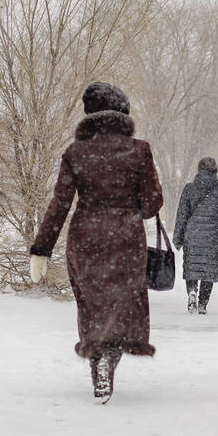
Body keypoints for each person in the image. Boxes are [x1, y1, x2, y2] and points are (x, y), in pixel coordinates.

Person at [29, 81, 163, 403]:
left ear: (89, 114)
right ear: (123, 114)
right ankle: (110, 356)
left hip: (85, 239)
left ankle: (97, 357)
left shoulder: (75, 152)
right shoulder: (139, 150)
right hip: (126, 240)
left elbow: (60, 204)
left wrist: (41, 248)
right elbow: (151, 205)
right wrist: (131, 201)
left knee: (91, 304)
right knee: (121, 304)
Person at [172, 157, 218, 314]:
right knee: (209, 271)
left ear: (199, 170)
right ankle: (202, 304)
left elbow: (182, 215)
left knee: (192, 268)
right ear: (215, 172)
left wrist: (178, 238)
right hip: (213, 238)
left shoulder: (189, 189)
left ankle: (192, 291)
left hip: (192, 236)